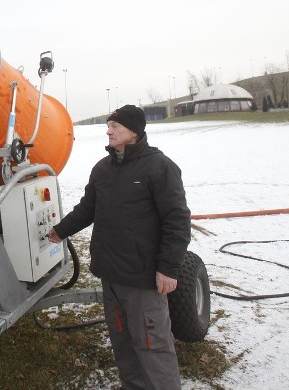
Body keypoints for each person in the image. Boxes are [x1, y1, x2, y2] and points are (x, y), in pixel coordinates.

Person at [48, 105, 190, 390]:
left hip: (142, 277)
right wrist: (60, 231)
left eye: (116, 126)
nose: (109, 131)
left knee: (152, 344)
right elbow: (88, 208)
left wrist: (169, 268)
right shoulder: (103, 168)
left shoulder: (159, 167)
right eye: (109, 125)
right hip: (111, 275)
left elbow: (177, 220)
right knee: (123, 342)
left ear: (134, 132)